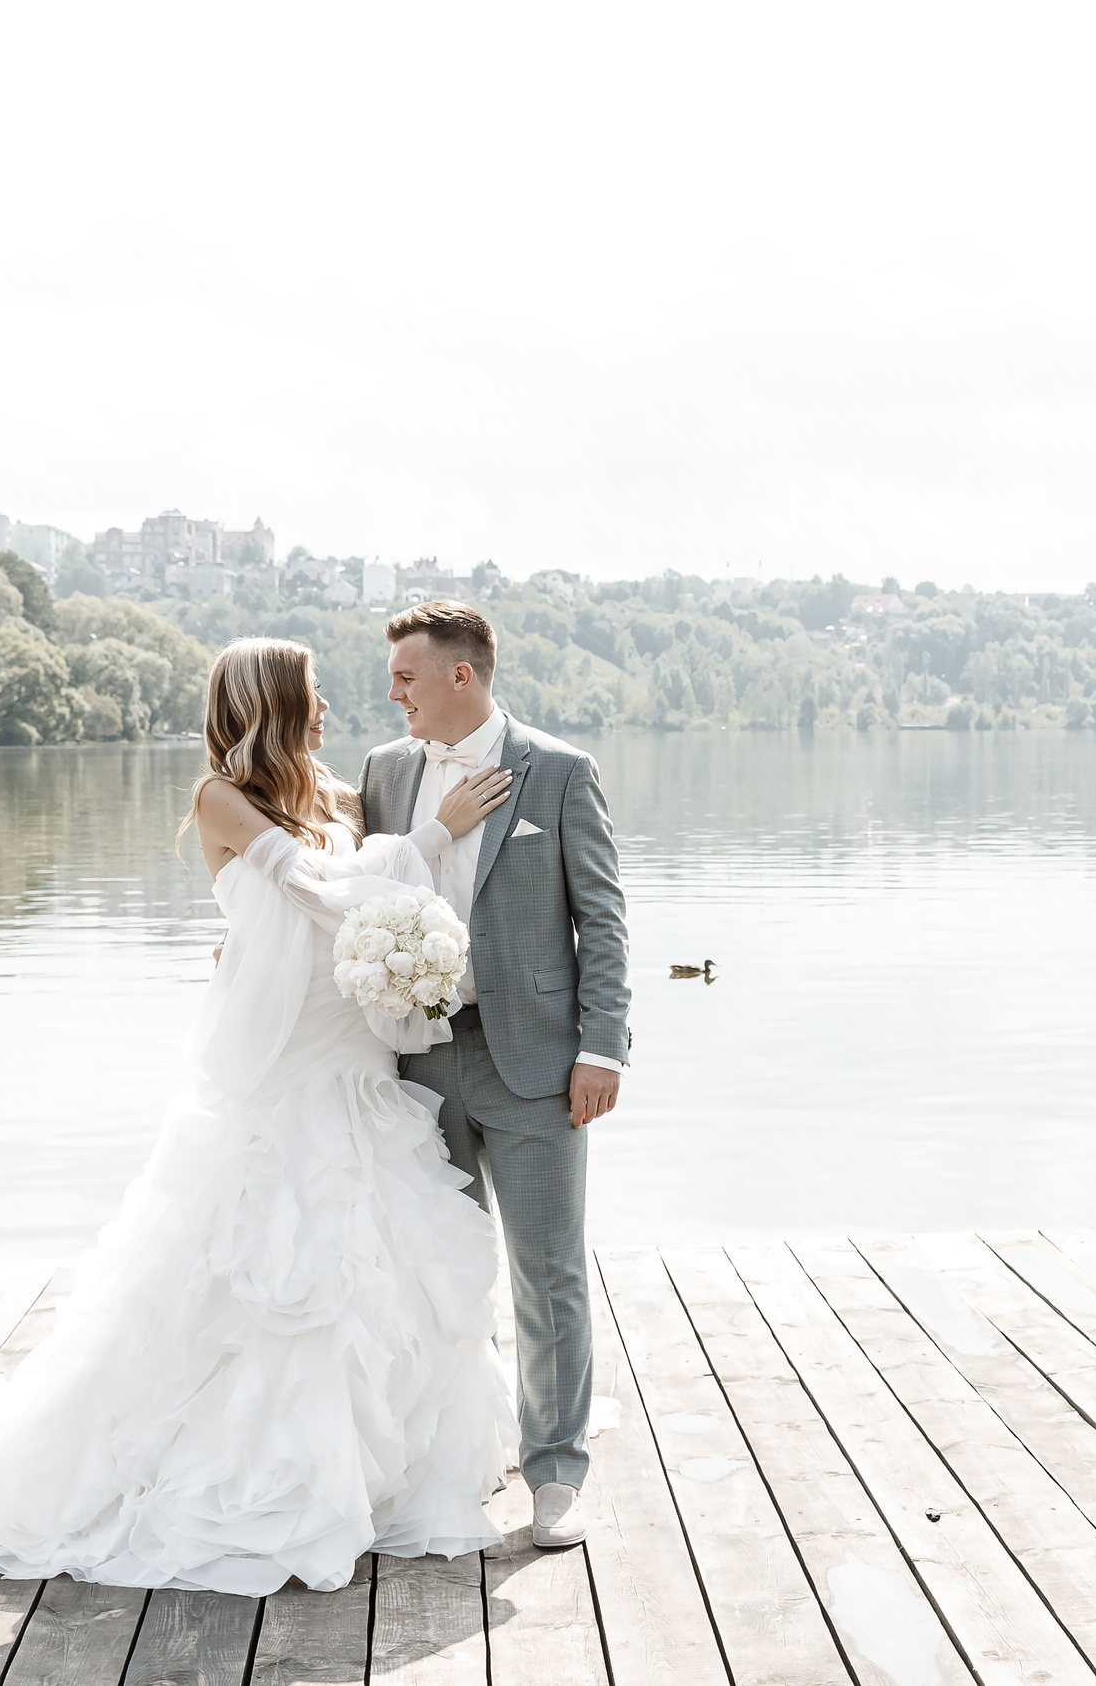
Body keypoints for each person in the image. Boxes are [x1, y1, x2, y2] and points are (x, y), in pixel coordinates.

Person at [0, 638, 522, 1595]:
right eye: (313, 693)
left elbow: (355, 904)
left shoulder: (342, 798)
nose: (330, 706)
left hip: (357, 1068)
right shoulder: (222, 798)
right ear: (272, 702)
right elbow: (316, 891)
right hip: (283, 1081)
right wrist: (429, 837)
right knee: (275, 1281)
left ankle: (381, 1480)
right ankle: (258, 1480)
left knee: (376, 1280)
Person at [357, 601, 631, 1550]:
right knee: (434, 1275)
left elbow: (603, 918)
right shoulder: (387, 774)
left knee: (547, 1273)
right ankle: (447, 1466)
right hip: (419, 1062)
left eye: (406, 677)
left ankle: (556, 1468)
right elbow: (362, 895)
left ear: (460, 676)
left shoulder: (559, 771)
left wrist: (604, 1047)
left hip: (539, 1068)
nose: (393, 693)